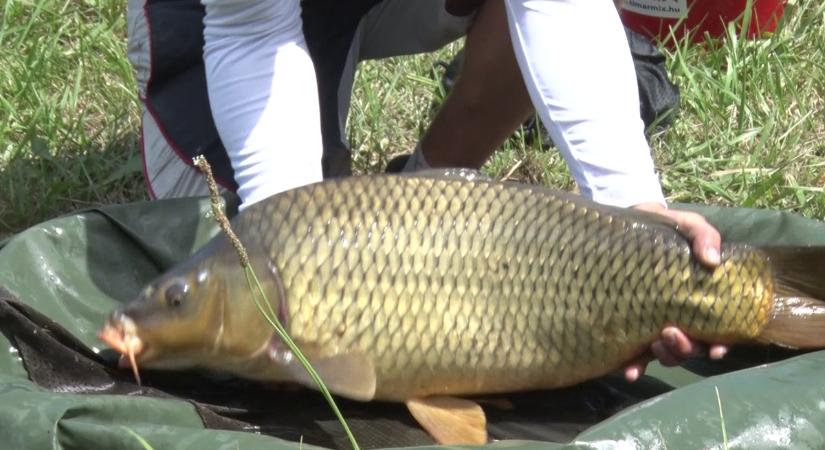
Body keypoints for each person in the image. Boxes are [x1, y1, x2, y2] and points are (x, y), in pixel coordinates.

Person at [126, 0, 725, 382]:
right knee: (229, 287)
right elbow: (251, 33)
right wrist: (287, 244)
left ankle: (428, 189)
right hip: (230, 21)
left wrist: (635, 206)